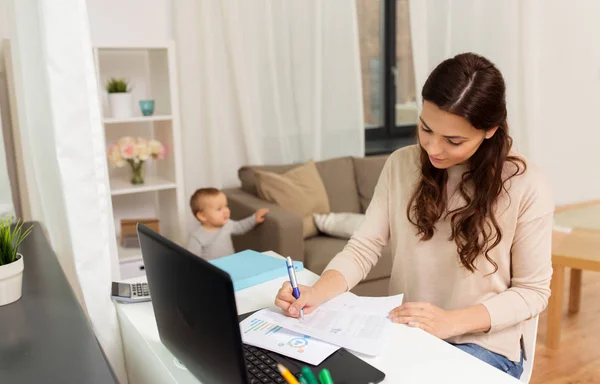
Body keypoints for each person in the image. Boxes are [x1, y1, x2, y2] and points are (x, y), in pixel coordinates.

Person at [274, 53, 554, 379]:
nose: (433, 148)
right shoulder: (400, 165)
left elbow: (532, 292)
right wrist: (316, 292)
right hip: (408, 334)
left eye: (454, 140)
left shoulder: (526, 185)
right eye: (425, 128)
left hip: (484, 345)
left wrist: (451, 322)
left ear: (490, 130)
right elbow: (364, 246)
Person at [186, 188, 269, 260]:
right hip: (212, 272)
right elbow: (191, 260)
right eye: (219, 209)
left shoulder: (227, 224)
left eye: (226, 206)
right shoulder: (197, 237)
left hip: (230, 265)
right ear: (202, 216)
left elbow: (240, 227)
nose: (226, 211)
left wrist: (254, 219)